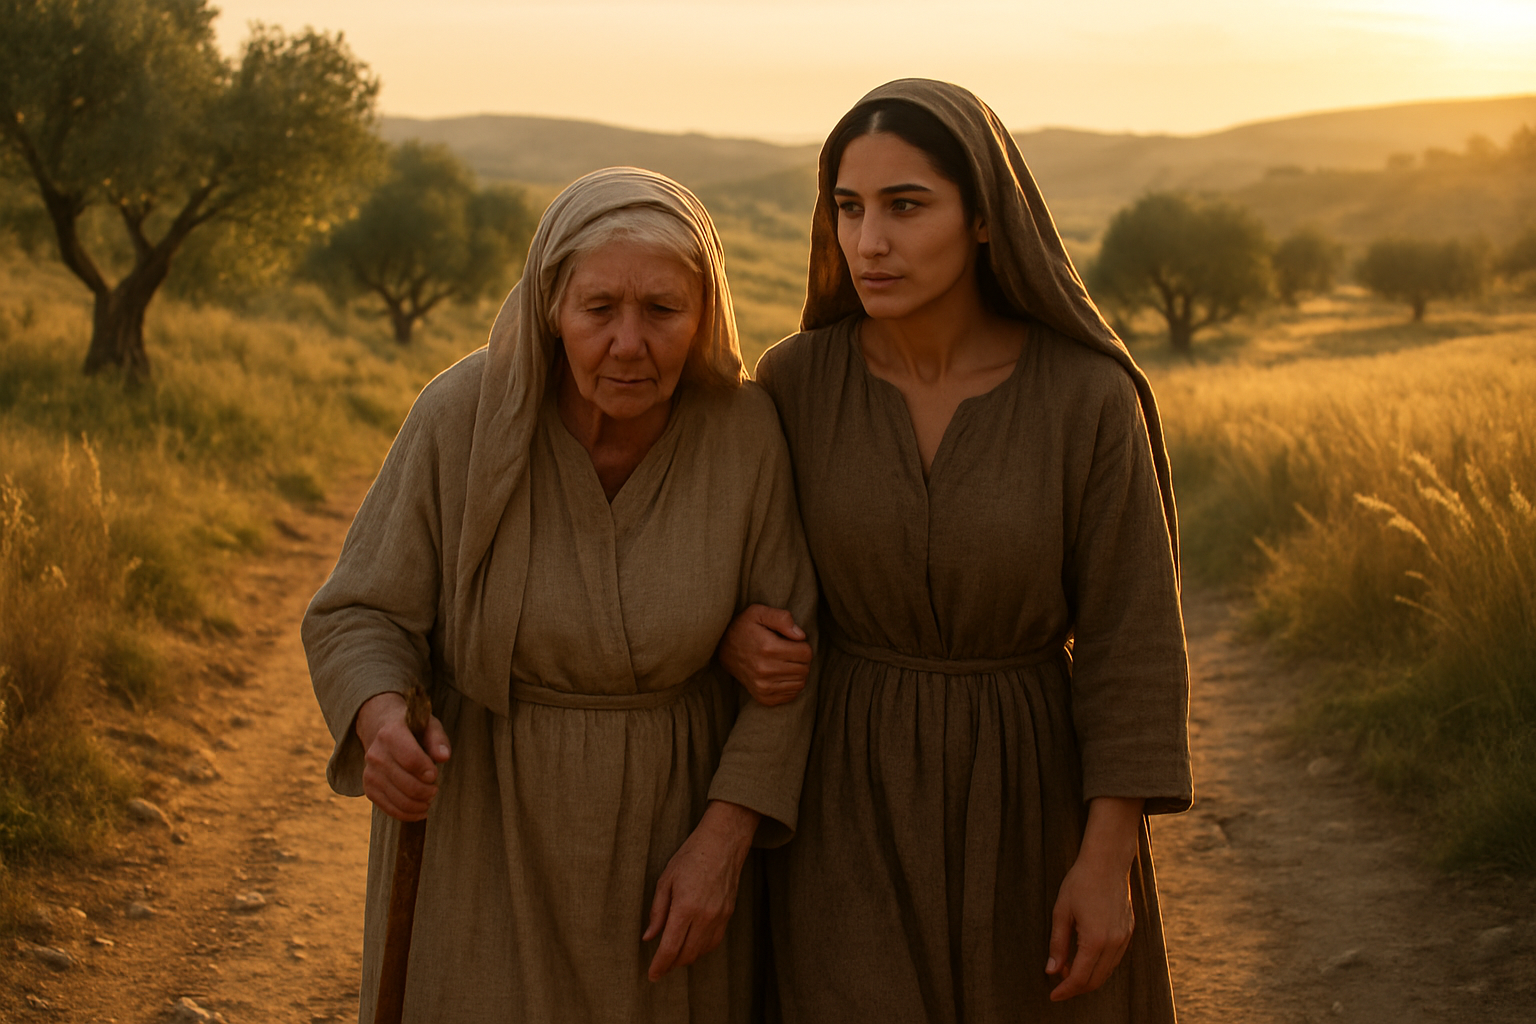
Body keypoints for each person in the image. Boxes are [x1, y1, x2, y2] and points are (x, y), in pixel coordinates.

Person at [718, 79, 1192, 1023]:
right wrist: (732, 633)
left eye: (905, 206)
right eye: (848, 209)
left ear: (984, 218)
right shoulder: (796, 382)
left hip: (1029, 794)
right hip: (841, 796)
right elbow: (732, 562)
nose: (869, 243)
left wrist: (1106, 862)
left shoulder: (1086, 399)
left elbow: (1130, 645)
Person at [303, 167, 819, 1024]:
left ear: (703, 316)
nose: (629, 342)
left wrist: (724, 844)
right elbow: (361, 611)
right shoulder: (460, 416)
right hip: (486, 827)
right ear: (551, 307)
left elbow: (794, 663)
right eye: (599, 309)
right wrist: (381, 719)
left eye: (662, 310)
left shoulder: (744, 435)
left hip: (672, 837)